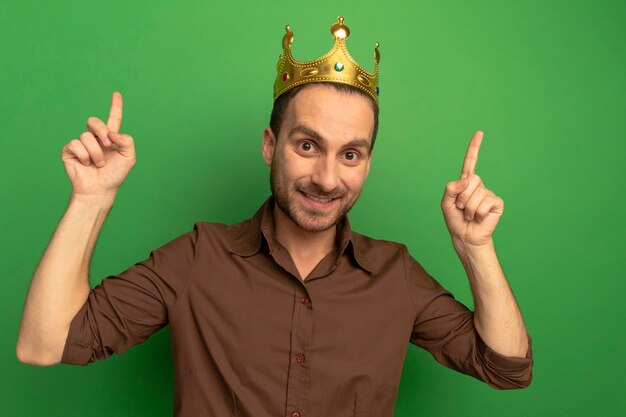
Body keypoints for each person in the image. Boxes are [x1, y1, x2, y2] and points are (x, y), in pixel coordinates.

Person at [16, 16, 533, 417]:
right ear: (271, 145)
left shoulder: (396, 275)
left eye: (350, 154)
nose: (328, 178)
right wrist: (91, 200)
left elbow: (506, 367)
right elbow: (45, 343)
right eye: (308, 145)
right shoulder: (199, 257)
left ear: (367, 163)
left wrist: (476, 250)